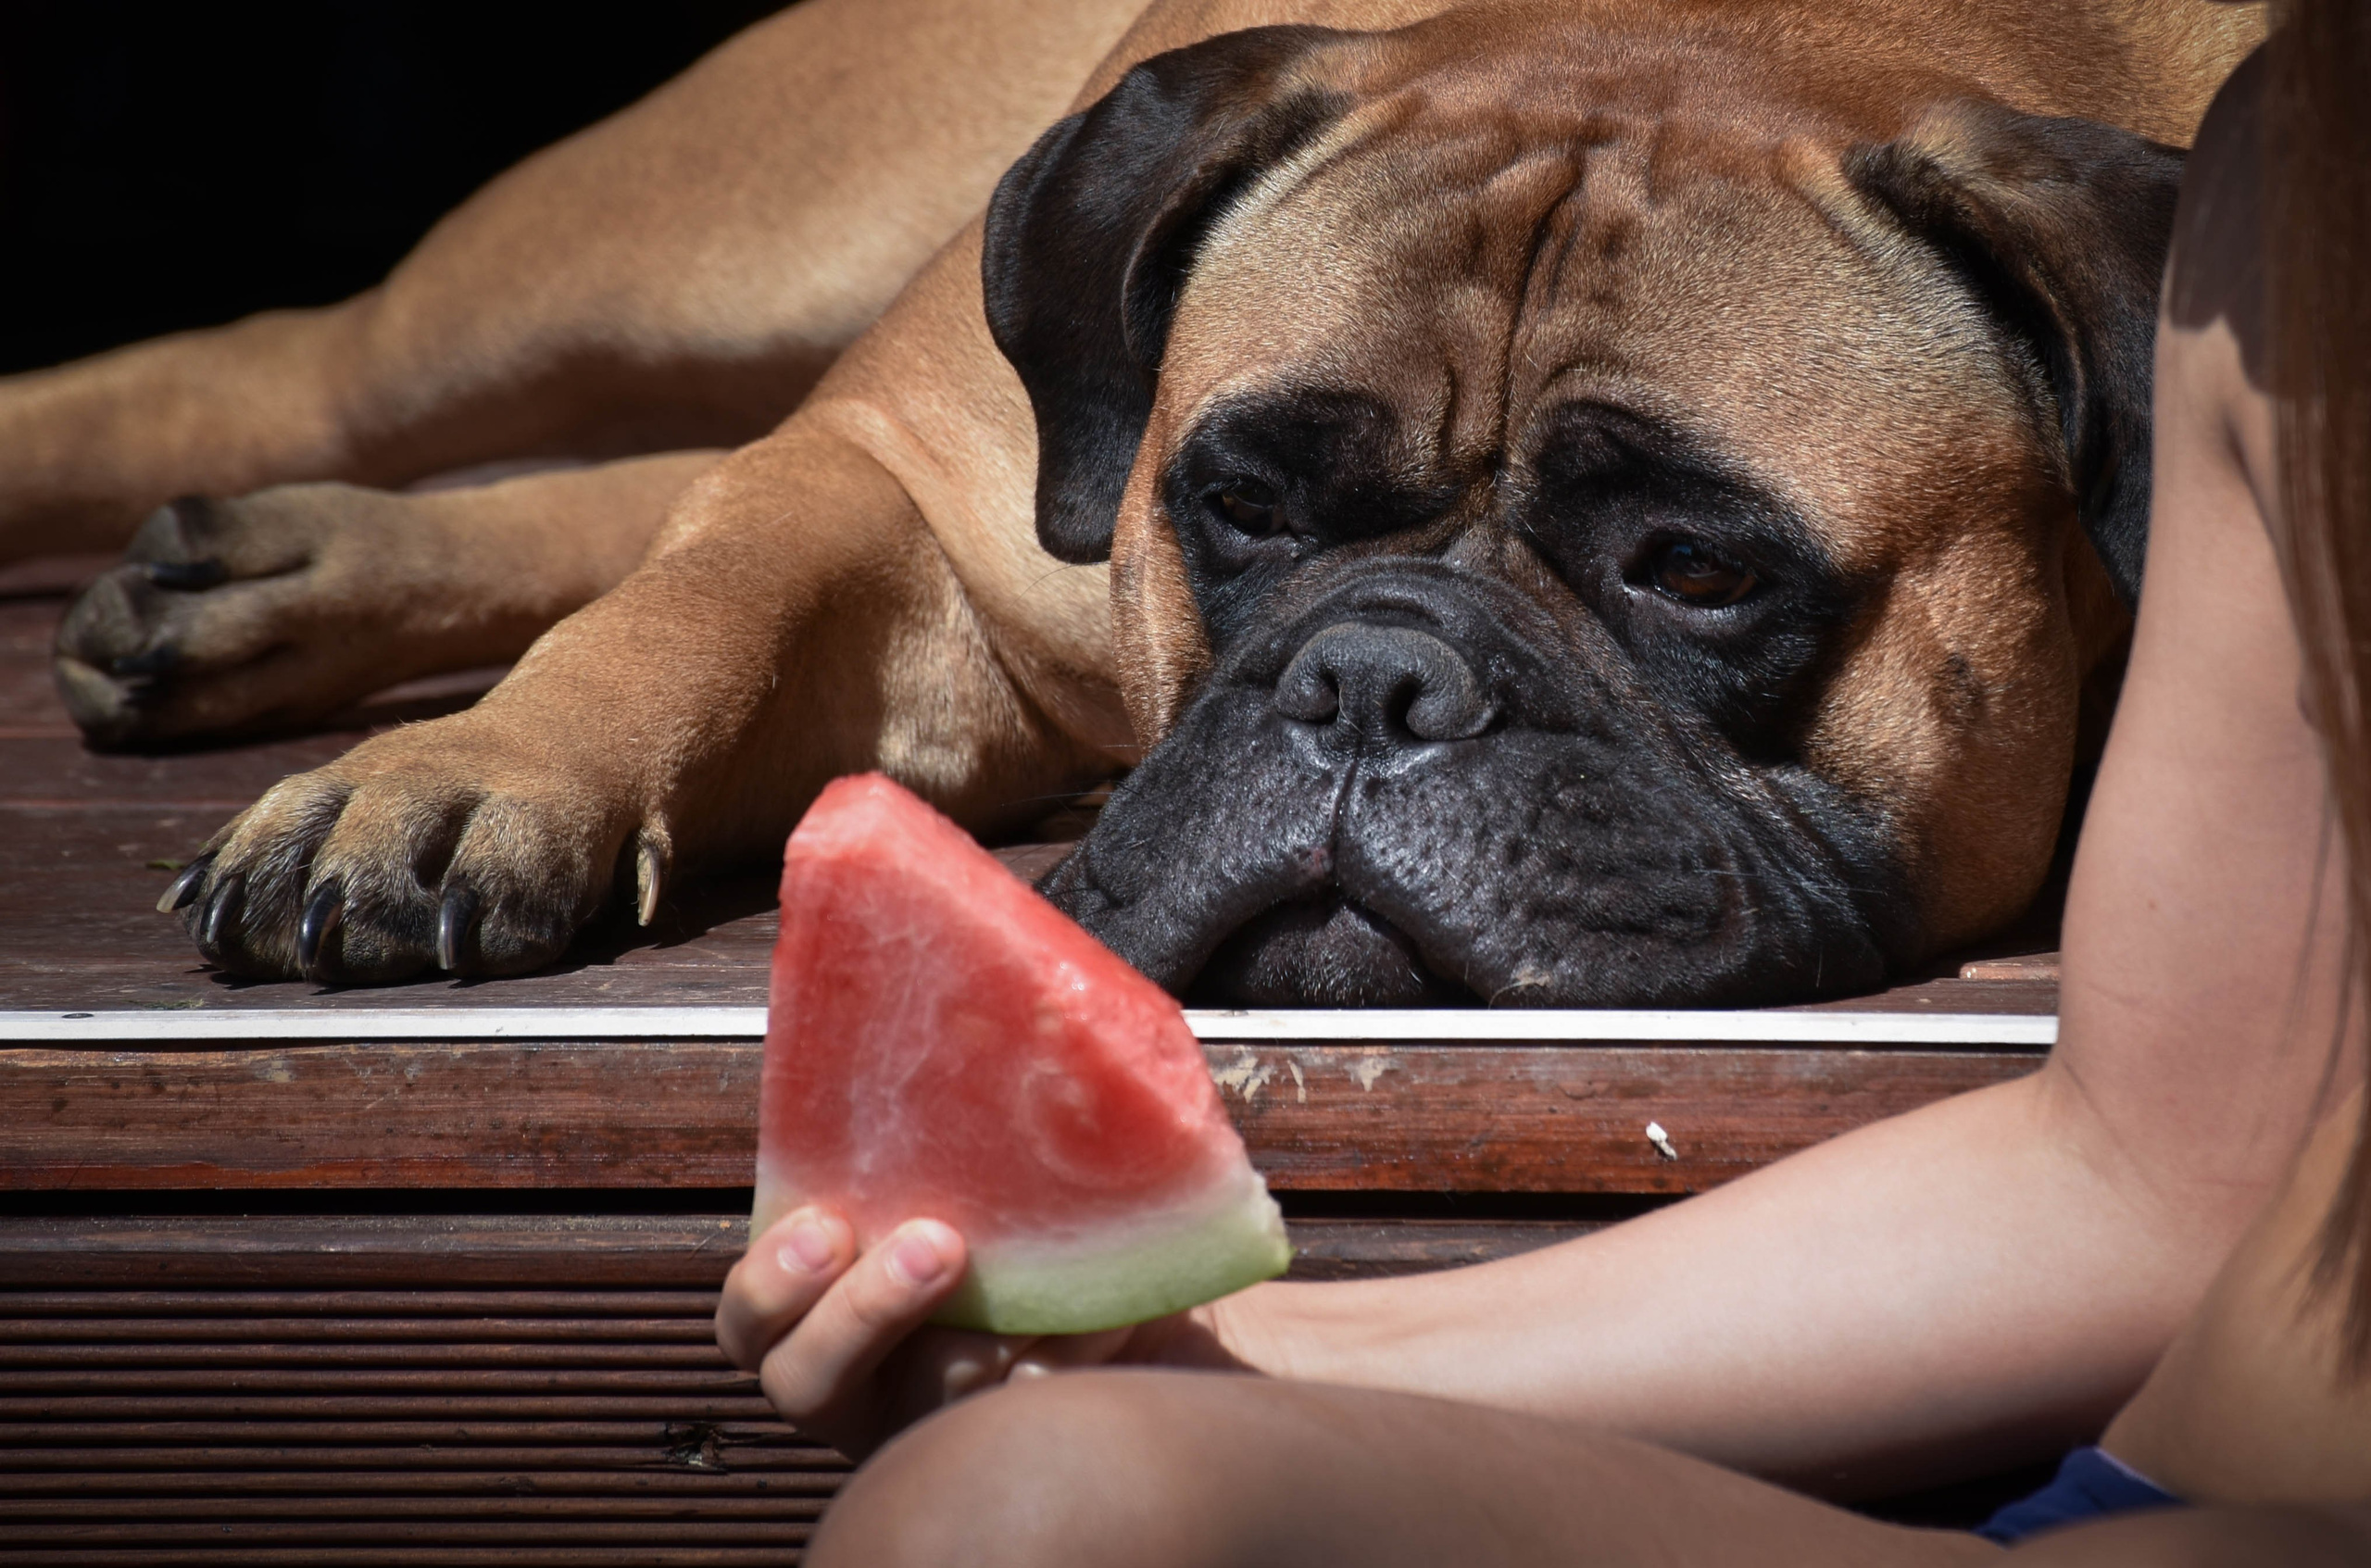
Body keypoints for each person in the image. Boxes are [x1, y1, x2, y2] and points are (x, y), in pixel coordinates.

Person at [714, 2, 2371, 1560]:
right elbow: (2157, 1181)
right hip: (2155, 1473)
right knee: (1011, 1510)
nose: (1386, 700)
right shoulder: (2293, 193)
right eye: (1259, 519)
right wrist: (1195, 1350)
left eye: (1696, 572)